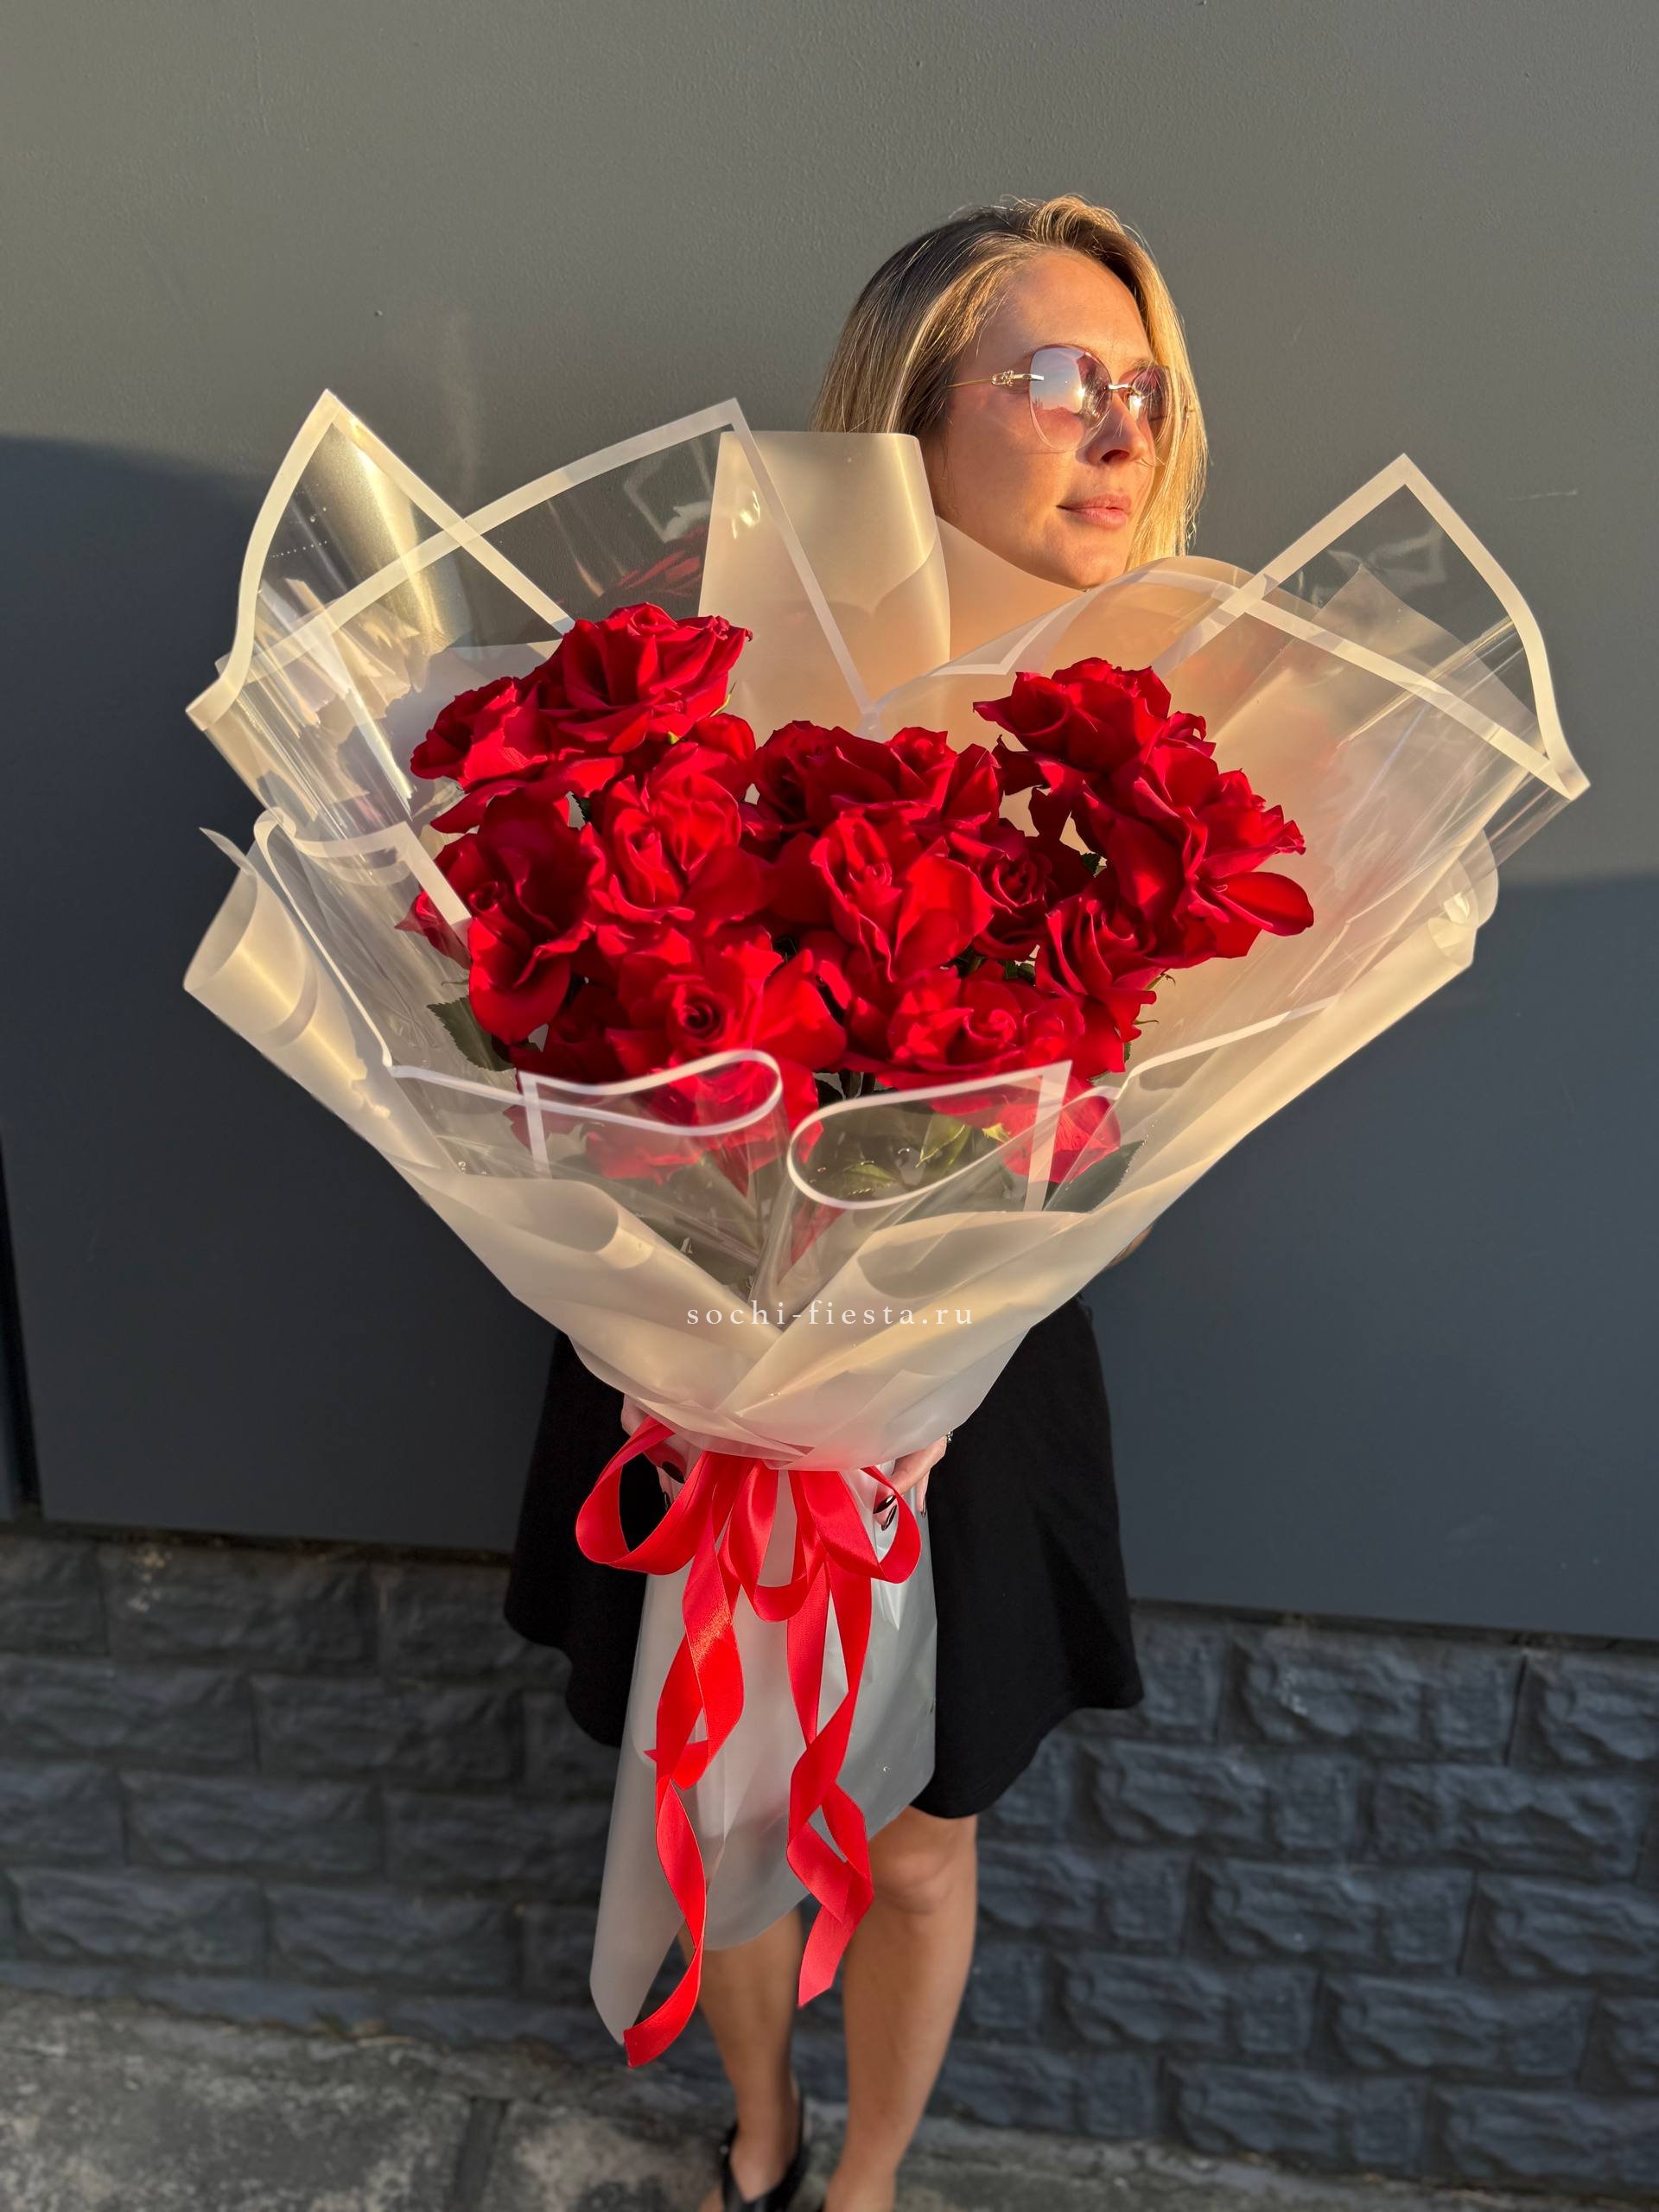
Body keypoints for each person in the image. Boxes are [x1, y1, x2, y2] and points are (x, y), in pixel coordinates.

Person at [502, 190, 1211, 2212]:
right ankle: (762, 2133)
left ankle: (873, 2179)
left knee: (918, 1835)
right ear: (912, 410)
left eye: (1146, 387)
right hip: (695, 1342)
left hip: (965, 1369)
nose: (1120, 427)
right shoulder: (709, 669)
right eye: (1057, 375)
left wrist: (945, 1304)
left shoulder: (1170, 722)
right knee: (724, 1803)